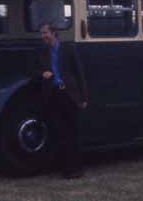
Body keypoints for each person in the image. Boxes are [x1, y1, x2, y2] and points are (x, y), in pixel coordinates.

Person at [36, 22, 89, 179]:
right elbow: (34, 69)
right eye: (42, 33)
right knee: (60, 132)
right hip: (54, 95)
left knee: (73, 133)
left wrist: (84, 97)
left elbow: (79, 73)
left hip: (69, 94)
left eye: (45, 33)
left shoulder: (68, 49)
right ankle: (66, 169)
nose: (43, 36)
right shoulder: (43, 52)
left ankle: (76, 169)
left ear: (53, 33)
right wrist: (42, 74)